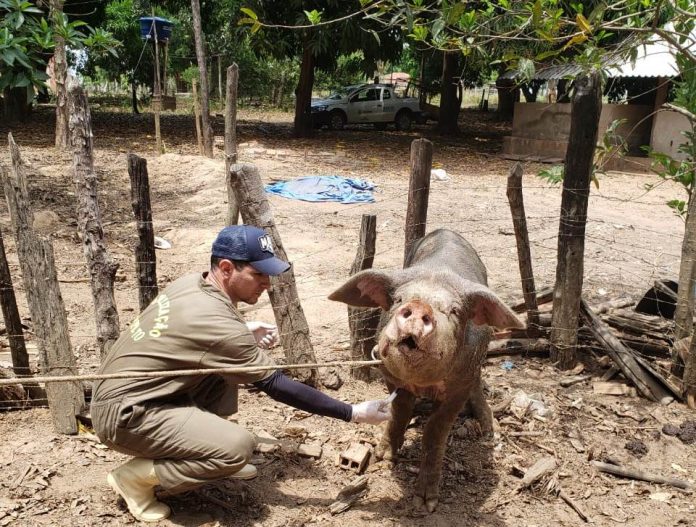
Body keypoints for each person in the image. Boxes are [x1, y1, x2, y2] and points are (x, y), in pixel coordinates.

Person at [91, 225, 392, 522]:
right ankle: (135, 479)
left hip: (131, 395)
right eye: (258, 274)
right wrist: (352, 412)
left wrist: (244, 329)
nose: (267, 284)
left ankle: (202, 448)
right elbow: (276, 384)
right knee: (237, 448)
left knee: (229, 369)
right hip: (125, 416)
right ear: (226, 268)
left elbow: (187, 334)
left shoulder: (192, 283)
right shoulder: (219, 326)